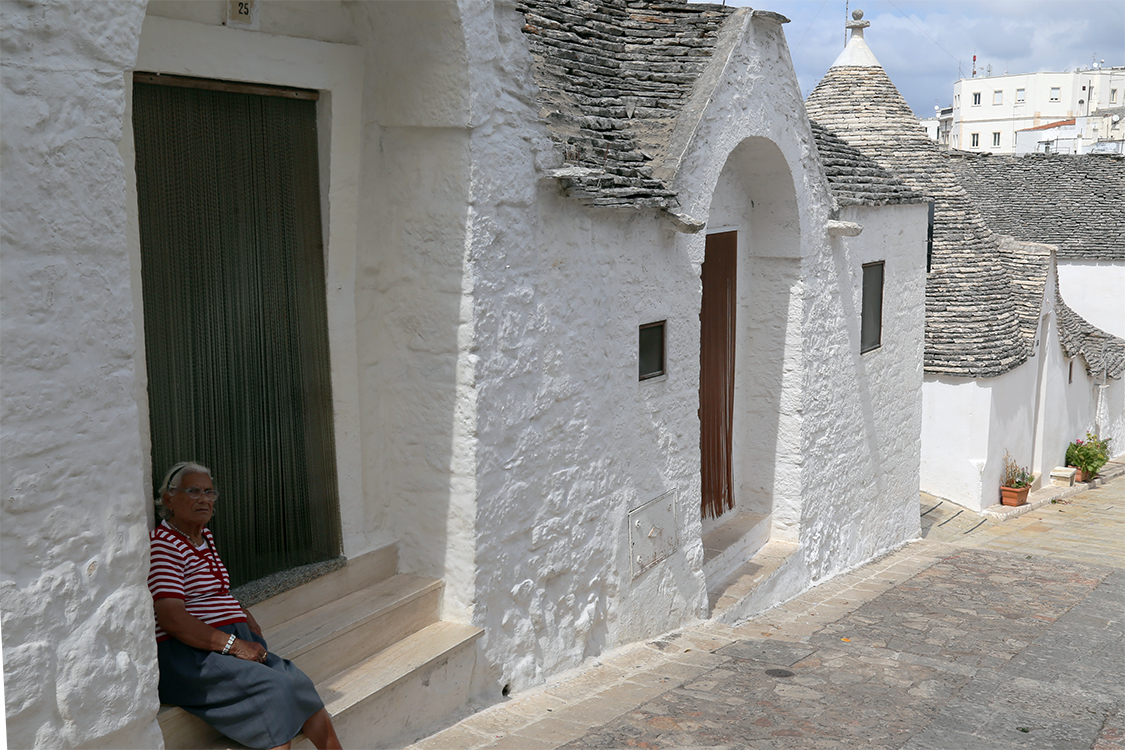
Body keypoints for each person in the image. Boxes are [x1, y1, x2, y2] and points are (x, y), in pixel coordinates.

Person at [149, 461, 342, 750]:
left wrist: (242, 613)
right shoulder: (164, 545)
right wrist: (235, 645)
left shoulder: (204, 538)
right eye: (193, 491)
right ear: (168, 499)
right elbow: (172, 618)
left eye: (209, 492)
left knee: (297, 682)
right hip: (189, 656)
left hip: (224, 645)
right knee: (276, 690)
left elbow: (215, 590)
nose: (203, 499)